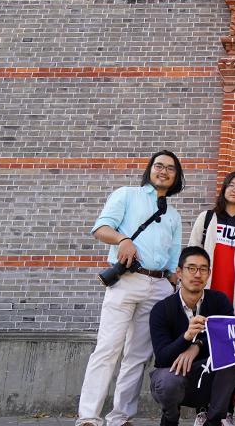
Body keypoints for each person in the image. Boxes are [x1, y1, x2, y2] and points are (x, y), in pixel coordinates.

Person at [76, 150, 184, 426]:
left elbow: (173, 260)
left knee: (138, 355)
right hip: (126, 282)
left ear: (176, 177)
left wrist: (175, 282)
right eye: (159, 166)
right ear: (150, 169)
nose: (164, 171)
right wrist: (123, 239)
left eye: (171, 168)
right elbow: (100, 228)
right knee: (108, 347)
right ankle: (88, 416)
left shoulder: (174, 215)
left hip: (159, 286)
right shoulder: (126, 194)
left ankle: (120, 416)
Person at [149, 246, 235, 426]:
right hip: (175, 375)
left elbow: (230, 338)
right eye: (191, 268)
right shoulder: (162, 309)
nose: (197, 274)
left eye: (203, 269)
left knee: (233, 358)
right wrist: (186, 337)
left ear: (209, 273)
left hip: (209, 377)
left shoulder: (219, 301)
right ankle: (170, 418)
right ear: (179, 272)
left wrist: (196, 346)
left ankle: (213, 421)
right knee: (167, 382)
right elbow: (162, 357)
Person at [188, 171, 235, 316]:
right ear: (224, 189)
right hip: (208, 283)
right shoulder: (206, 218)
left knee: (233, 330)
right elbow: (192, 251)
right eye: (231, 185)